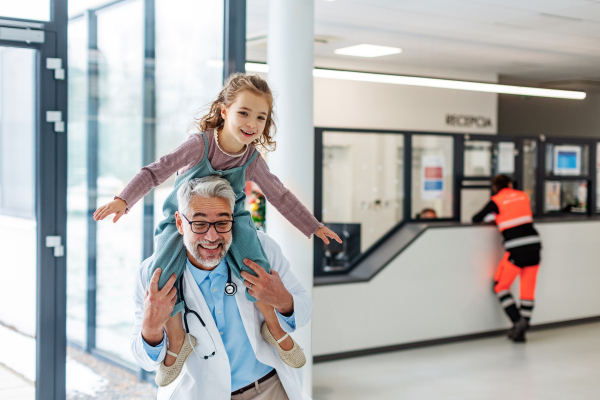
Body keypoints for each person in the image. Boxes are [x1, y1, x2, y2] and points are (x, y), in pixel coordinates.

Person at [94, 74, 340, 383]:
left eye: (261, 117)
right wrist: (123, 199)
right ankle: (178, 340)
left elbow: (279, 194)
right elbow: (158, 170)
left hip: (235, 215)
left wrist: (312, 226)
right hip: (180, 212)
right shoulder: (200, 145)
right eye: (244, 112)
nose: (252, 123)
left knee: (256, 265)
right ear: (224, 111)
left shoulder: (251, 158)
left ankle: (274, 329)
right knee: (163, 276)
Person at [131, 176, 312, 399]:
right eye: (199, 223)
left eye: (222, 223)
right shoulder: (153, 275)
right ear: (179, 223)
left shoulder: (260, 250)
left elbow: (304, 312)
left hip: (269, 388)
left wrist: (282, 300)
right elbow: (144, 360)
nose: (212, 236)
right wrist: (151, 326)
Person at [472, 174, 541, 342]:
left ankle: (518, 322)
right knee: (527, 290)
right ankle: (523, 327)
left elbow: (476, 218)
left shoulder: (496, 200)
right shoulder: (523, 195)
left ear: (495, 187)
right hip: (535, 245)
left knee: (501, 287)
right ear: (510, 184)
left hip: (516, 249)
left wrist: (495, 216)